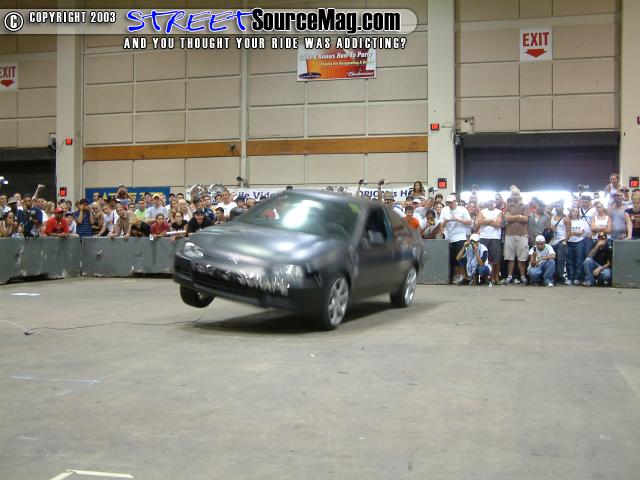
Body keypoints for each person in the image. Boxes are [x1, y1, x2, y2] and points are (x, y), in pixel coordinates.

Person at [440, 194, 472, 284]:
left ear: (455, 202)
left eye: (451, 203)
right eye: (448, 203)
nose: (449, 204)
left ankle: (464, 276)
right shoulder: (444, 210)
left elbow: (469, 222)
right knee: (451, 259)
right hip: (449, 238)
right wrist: (446, 220)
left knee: (461, 258)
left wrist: (459, 219)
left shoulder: (462, 209)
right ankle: (455, 276)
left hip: (460, 237)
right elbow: (441, 225)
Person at [503, 192, 529, 285]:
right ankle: (509, 276)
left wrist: (512, 217)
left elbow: (525, 219)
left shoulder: (525, 206)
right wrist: (519, 216)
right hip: (509, 234)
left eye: (516, 194)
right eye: (513, 195)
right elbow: (507, 218)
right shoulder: (508, 206)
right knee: (510, 258)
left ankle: (522, 276)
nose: (514, 196)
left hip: (522, 234)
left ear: (519, 195)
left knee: (522, 258)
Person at [476, 198, 503, 285]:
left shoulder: (499, 212)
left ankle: (496, 277)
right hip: (484, 236)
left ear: (494, 203)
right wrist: (492, 220)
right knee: (484, 258)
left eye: (492, 202)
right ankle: (485, 278)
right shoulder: (482, 211)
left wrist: (485, 221)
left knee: (496, 259)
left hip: (495, 237)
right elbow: (479, 222)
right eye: (489, 201)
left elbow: (498, 224)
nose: (490, 203)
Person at [548, 204, 570, 285]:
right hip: (552, 241)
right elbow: (547, 226)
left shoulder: (566, 218)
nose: (557, 208)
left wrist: (565, 241)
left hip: (561, 241)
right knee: (552, 260)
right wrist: (550, 228)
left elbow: (568, 231)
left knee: (560, 260)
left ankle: (560, 277)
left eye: (559, 206)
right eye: (556, 206)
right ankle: (552, 277)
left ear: (563, 208)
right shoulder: (552, 217)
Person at [567, 206, 588, 285]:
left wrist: (572, 233)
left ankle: (578, 278)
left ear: (578, 213)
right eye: (573, 211)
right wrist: (574, 233)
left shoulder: (581, 221)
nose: (574, 213)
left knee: (579, 261)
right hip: (569, 242)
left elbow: (581, 233)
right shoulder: (568, 221)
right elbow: (567, 232)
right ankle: (570, 278)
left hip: (579, 242)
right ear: (570, 212)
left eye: (576, 211)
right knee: (569, 261)